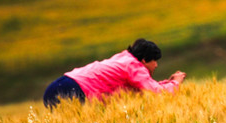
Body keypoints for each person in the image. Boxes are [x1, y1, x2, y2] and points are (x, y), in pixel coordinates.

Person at [43, 38, 186, 108]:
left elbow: (143, 89)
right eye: (154, 60)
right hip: (73, 90)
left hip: (60, 84)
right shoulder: (133, 66)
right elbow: (157, 93)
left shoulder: (123, 58)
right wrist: (176, 83)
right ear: (144, 60)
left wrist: (167, 82)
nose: (156, 65)